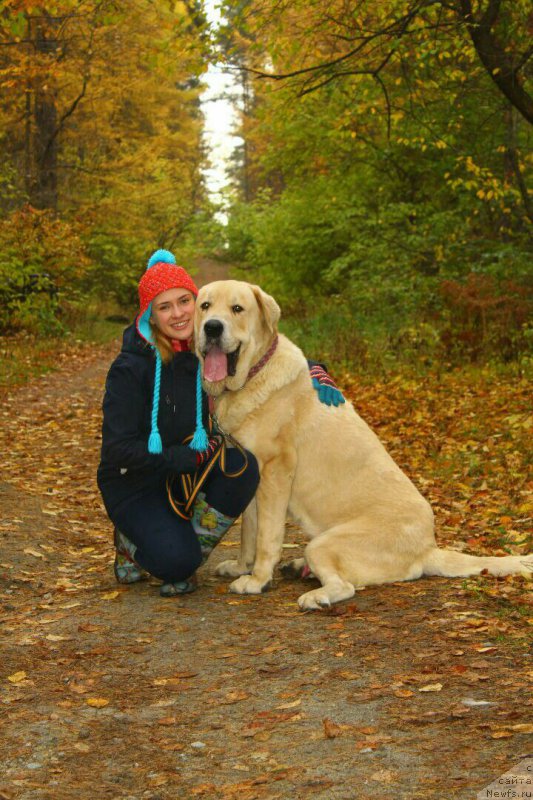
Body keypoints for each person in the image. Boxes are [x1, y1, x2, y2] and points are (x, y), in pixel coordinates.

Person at [97, 250, 344, 597]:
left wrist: (315, 370)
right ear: (150, 315)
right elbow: (116, 450)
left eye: (185, 301)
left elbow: (264, 352)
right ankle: (133, 542)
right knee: (177, 567)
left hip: (183, 473)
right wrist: (178, 458)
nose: (178, 313)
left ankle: (176, 538)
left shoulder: (203, 348)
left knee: (244, 468)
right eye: (165, 306)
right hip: (135, 481)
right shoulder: (130, 368)